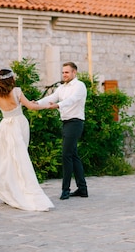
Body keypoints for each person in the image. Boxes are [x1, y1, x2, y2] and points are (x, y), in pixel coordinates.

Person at [0, 69, 54, 212]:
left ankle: (9, 191)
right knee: (20, 158)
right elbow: (31, 107)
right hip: (18, 123)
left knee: (7, 159)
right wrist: (48, 106)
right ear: (11, 79)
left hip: (5, 126)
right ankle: (21, 191)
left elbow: (8, 108)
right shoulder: (16, 91)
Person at [36, 62, 88, 200]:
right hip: (66, 123)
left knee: (66, 155)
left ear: (74, 72)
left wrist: (58, 106)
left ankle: (66, 189)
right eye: (63, 72)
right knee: (73, 155)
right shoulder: (61, 88)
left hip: (75, 122)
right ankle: (82, 189)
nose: (64, 74)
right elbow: (51, 98)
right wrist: (37, 103)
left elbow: (72, 100)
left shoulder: (80, 86)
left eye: (67, 72)